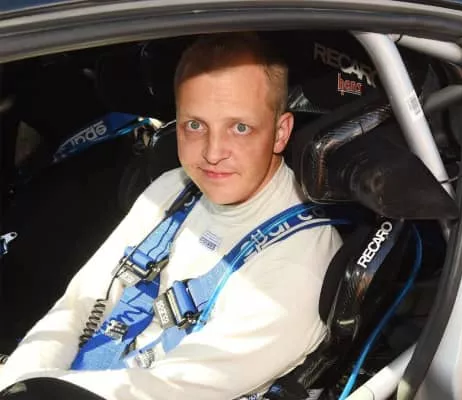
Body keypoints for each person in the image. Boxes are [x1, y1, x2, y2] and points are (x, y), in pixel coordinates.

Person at [0, 32, 342, 399]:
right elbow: (78, 305)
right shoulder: (175, 187)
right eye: (195, 125)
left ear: (280, 132)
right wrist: (16, 381)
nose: (213, 152)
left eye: (240, 128)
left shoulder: (298, 267)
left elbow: (166, 392)